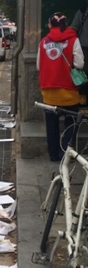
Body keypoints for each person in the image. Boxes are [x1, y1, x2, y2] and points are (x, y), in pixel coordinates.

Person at [37, 12, 84, 162]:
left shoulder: (43, 42)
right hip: (68, 91)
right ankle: (65, 154)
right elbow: (79, 64)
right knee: (70, 124)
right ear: (66, 23)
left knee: (52, 126)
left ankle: (53, 154)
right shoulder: (73, 40)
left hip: (49, 92)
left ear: (50, 25)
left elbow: (38, 66)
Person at [71, 2, 88, 71]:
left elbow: (74, 27)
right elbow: (74, 28)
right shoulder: (83, 11)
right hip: (84, 46)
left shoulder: (83, 11)